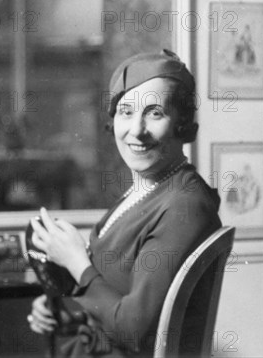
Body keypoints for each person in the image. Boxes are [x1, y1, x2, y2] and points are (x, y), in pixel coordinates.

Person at [27, 49, 222, 357]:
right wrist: (70, 315)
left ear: (182, 124)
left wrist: (77, 263)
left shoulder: (183, 206)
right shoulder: (146, 191)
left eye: (155, 113)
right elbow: (121, 298)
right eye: (126, 112)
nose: (136, 131)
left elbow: (135, 330)